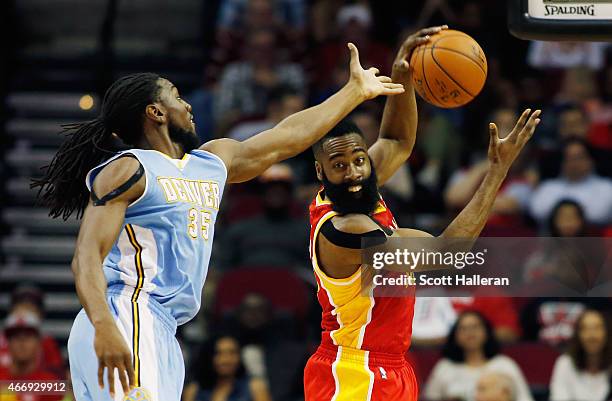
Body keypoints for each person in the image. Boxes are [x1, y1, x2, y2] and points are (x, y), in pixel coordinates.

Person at [32, 44, 404, 401]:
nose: (188, 104)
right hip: (127, 312)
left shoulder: (209, 162)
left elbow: (286, 138)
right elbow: (86, 257)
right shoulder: (130, 167)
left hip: (161, 325)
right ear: (156, 112)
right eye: (177, 96)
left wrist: (353, 92)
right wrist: (105, 326)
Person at [303, 25, 541, 400]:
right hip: (353, 373)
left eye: (359, 159)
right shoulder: (345, 229)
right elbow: (447, 252)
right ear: (321, 173)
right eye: (338, 164)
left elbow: (397, 140)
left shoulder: (360, 188)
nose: (352, 172)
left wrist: (404, 75)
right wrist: (496, 171)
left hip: (389, 366)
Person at [424, 312, 533, 401]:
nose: (470, 333)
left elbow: (524, 398)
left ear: (486, 331)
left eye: (475, 327)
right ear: (455, 335)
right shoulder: (444, 367)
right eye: (463, 328)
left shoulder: (505, 364)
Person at [183, 335, 272, 401]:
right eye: (219, 353)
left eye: (232, 353)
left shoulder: (255, 388)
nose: (226, 360)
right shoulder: (192, 391)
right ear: (209, 356)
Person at [550, 309, 612, 401]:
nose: (592, 335)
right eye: (585, 329)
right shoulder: (565, 363)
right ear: (578, 335)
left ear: (607, 333)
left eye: (597, 328)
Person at [0, 312, 63, 401]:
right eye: (16, 337)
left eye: (28, 336)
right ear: (8, 343)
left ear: (39, 342)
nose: (21, 343)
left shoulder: (50, 385)